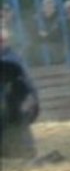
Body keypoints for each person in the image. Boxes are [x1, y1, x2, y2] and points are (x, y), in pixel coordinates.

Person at [1, 26, 41, 159]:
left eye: (2, 41)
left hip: (15, 108)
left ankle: (24, 150)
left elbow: (26, 86)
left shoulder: (12, 60)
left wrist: (31, 101)